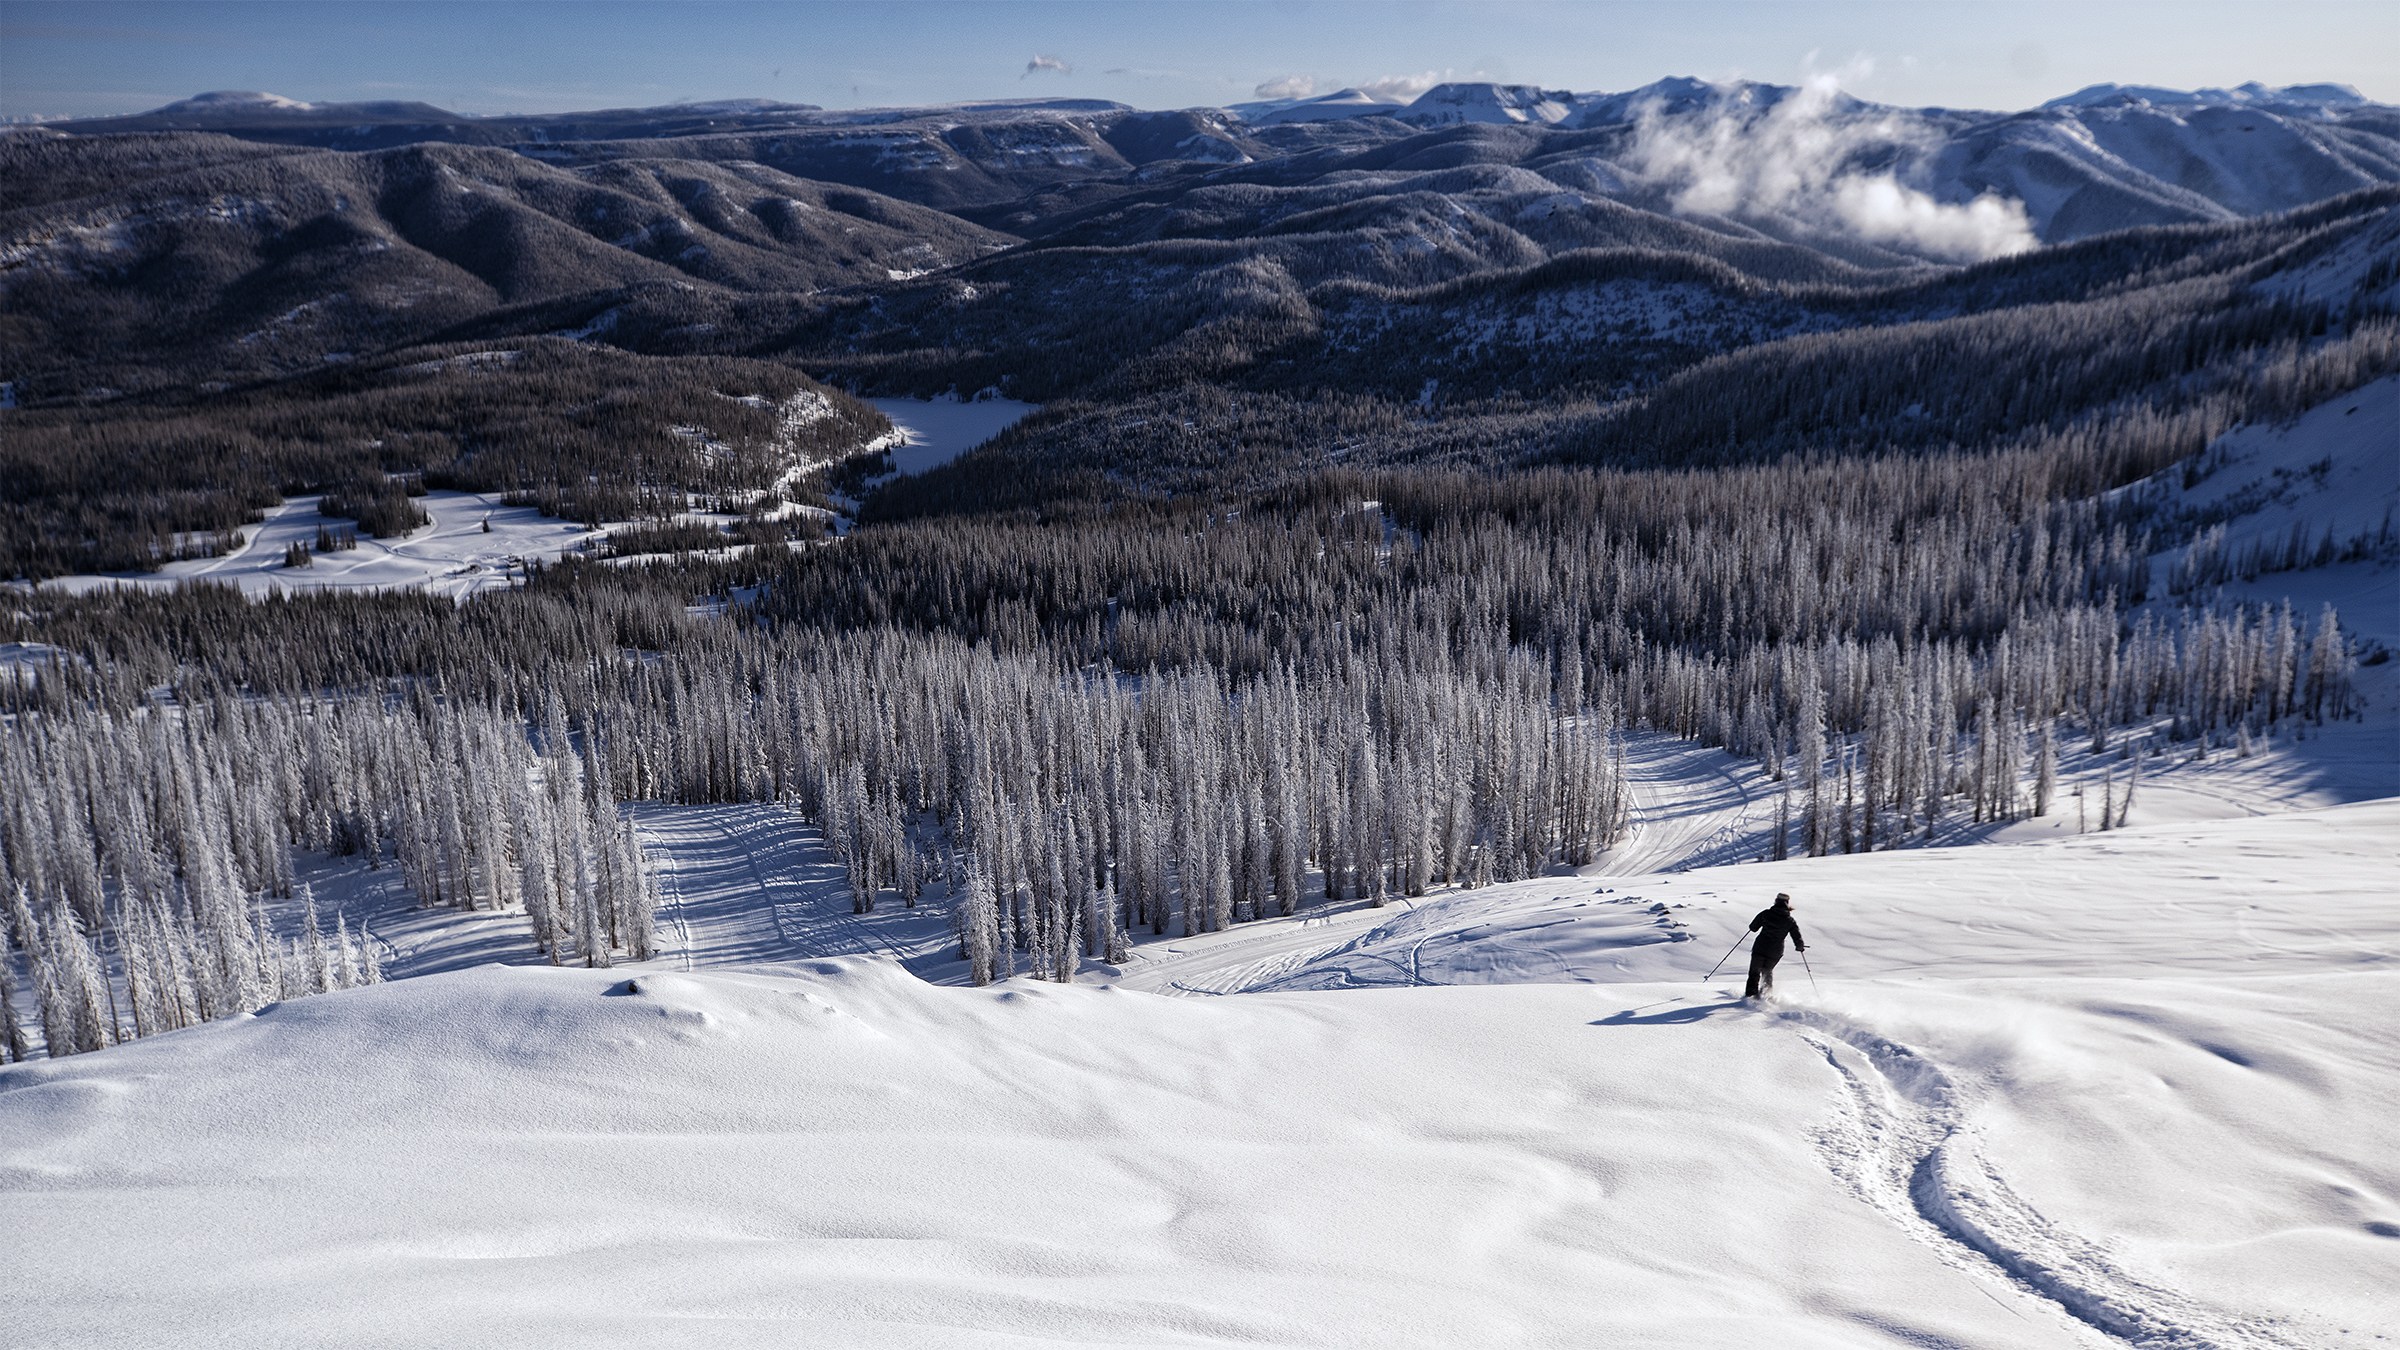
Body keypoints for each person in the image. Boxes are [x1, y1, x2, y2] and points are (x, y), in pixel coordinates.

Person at [1744, 893, 1806, 999]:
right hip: (1775, 951)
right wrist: (1799, 946)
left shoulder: (1766, 914)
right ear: (1787, 903)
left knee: (1754, 972)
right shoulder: (1789, 920)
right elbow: (1797, 936)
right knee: (1767, 972)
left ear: (1776, 901)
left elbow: (1753, 928)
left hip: (1760, 947)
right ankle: (1766, 996)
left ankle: (1750, 996)